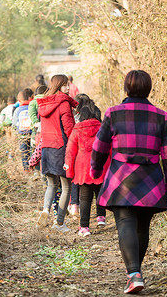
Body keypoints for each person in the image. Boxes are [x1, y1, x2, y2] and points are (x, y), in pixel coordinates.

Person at [90, 70, 167, 294]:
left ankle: (134, 274)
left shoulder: (113, 113)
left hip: (121, 178)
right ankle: (135, 273)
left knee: (126, 223)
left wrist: (96, 170)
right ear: (148, 89)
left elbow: (99, 147)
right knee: (142, 226)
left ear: (126, 88)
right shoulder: (161, 116)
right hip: (151, 180)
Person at [36, 74, 78, 232]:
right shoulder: (64, 103)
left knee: (51, 184)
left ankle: (46, 210)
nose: (68, 88)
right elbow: (69, 129)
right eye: (65, 85)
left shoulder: (44, 104)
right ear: (59, 85)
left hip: (47, 148)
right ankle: (59, 223)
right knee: (66, 186)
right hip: (61, 148)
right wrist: (76, 145)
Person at [64, 101, 108, 237]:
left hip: (82, 168)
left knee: (85, 198)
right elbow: (108, 147)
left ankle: (84, 227)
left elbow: (70, 152)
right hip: (100, 165)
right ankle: (101, 218)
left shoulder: (77, 129)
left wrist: (69, 171)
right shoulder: (102, 128)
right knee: (100, 193)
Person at [12, 89, 33, 171]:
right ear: (28, 98)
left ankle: (26, 169)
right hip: (32, 133)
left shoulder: (17, 110)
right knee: (32, 151)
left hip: (22, 134)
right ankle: (33, 168)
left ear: (19, 101)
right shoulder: (31, 107)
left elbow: (14, 124)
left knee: (24, 152)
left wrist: (15, 132)